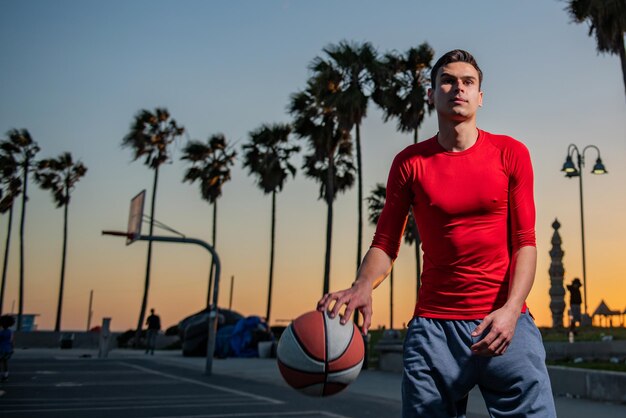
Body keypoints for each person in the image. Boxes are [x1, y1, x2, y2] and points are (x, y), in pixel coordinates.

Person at [318, 50, 557, 417]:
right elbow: (385, 243)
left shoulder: (511, 153)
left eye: (467, 82)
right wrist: (363, 284)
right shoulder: (410, 163)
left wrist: (511, 310)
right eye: (447, 80)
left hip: (505, 323)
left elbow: (525, 242)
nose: (457, 88)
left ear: (480, 95)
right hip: (434, 331)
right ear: (431, 93)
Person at [0, 315, 15, 382]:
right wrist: (12, 349)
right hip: (8, 349)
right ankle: (6, 375)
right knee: (5, 362)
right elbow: (11, 341)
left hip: (2, 349)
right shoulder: (10, 332)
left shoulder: (2, 332)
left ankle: (4, 375)